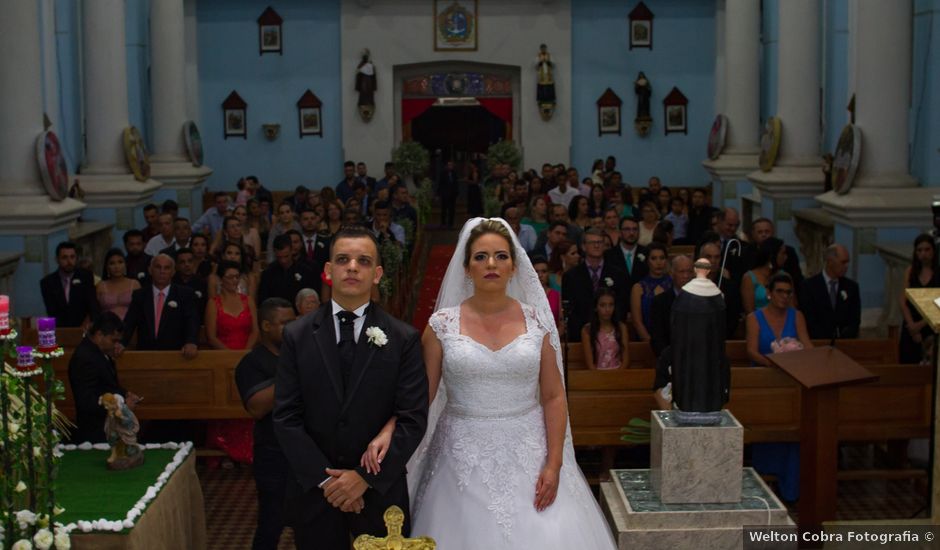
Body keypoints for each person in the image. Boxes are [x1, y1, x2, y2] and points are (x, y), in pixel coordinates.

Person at [363, 218, 616, 549]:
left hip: (529, 449)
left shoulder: (538, 320)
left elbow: (553, 396)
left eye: (500, 256)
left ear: (514, 265)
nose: (491, 264)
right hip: (461, 454)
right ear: (466, 267)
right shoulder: (441, 325)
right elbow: (422, 395)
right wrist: (389, 429)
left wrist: (554, 463)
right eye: (480, 257)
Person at [272, 226, 429, 549]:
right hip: (317, 491)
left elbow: (412, 417)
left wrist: (363, 478)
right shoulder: (297, 335)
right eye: (343, 259)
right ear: (329, 271)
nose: (353, 267)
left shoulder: (403, 339)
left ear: (377, 274)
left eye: (363, 260)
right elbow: (286, 417)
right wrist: (330, 481)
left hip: (380, 492)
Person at [745, 272, 812, 503]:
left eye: (788, 292)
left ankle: (791, 488)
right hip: (766, 384)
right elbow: (752, 350)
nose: (784, 296)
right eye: (780, 292)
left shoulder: (797, 316)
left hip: (792, 384)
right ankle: (764, 486)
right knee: (769, 431)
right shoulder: (755, 318)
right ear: (769, 293)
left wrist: (802, 358)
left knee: (792, 432)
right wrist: (775, 362)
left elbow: (807, 345)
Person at [236, 298, 296, 550]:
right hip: (273, 454)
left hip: (306, 453)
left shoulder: (301, 354)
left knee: (311, 524)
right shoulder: (251, 363)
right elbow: (257, 407)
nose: (292, 328)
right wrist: (293, 373)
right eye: (285, 323)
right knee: (272, 523)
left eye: (293, 322)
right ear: (266, 326)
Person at [206, 261, 259, 465]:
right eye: (229, 277)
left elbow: (255, 330)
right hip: (222, 358)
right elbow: (211, 336)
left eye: (236, 277)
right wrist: (229, 356)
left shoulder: (248, 300)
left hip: (246, 355)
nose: (233, 281)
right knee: (224, 402)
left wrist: (245, 353)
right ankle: (223, 448)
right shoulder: (214, 303)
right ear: (221, 279)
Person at [68, 312, 141, 444]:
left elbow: (107, 384)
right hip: (96, 433)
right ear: (99, 335)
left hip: (106, 429)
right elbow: (87, 401)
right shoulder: (84, 358)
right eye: (113, 340)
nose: (116, 345)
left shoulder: (98, 352)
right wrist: (122, 407)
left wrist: (125, 393)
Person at [119, 254, 199, 358]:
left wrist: (191, 342)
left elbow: (192, 321)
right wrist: (121, 343)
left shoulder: (185, 294)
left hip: (177, 355)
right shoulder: (140, 295)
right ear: (150, 270)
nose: (162, 271)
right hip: (146, 355)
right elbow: (129, 322)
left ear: (173, 272)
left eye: (167, 268)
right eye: (158, 267)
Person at [562, 228, 628, 342]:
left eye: (599, 242)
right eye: (592, 242)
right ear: (583, 246)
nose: (596, 246)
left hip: (611, 336)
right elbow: (571, 310)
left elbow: (622, 305)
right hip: (581, 337)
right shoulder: (571, 276)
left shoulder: (618, 274)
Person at [800, 244, 861, 340]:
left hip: (844, 344)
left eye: (847, 263)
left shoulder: (851, 287)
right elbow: (808, 319)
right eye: (843, 262)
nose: (846, 266)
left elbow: (855, 320)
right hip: (818, 344)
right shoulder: (809, 286)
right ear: (830, 262)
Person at [899, 235, 940, 364]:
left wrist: (920, 325)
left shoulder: (938, 273)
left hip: (931, 325)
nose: (923, 254)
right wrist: (912, 325)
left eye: (927, 250)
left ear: (933, 251)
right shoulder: (910, 271)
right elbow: (903, 301)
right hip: (911, 324)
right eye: (919, 250)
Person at [40, 241, 99, 327]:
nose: (69, 261)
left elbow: (93, 304)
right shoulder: (48, 282)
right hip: (61, 330)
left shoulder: (85, 276)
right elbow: (52, 311)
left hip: (85, 328)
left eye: (72, 257)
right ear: (57, 259)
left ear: (76, 258)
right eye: (64, 258)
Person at [649, 255, 694, 357]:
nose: (686, 276)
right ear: (672, 274)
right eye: (681, 272)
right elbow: (657, 338)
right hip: (670, 360)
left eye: (689, 272)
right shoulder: (659, 302)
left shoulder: (701, 301)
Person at [630, 242, 672, 342]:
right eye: (654, 258)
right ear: (647, 261)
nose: (658, 262)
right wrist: (650, 342)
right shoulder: (638, 288)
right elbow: (637, 322)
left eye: (662, 258)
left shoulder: (673, 284)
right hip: (647, 341)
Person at [581, 288, 630, 370]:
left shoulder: (621, 328)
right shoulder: (587, 330)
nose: (607, 309)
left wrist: (617, 377)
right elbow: (590, 364)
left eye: (611, 305)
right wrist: (601, 379)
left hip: (619, 374)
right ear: (596, 307)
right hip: (596, 375)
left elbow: (626, 360)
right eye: (603, 305)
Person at [96, 248, 141, 320]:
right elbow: (95, 311)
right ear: (107, 267)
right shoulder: (101, 286)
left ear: (125, 264)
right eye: (112, 263)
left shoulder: (135, 284)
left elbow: (141, 310)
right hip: (107, 328)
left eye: (120, 262)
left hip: (131, 327)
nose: (116, 267)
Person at [173, 247, 208, 323]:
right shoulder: (171, 283)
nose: (187, 265)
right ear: (176, 265)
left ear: (194, 263)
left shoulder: (202, 283)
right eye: (182, 262)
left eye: (190, 261)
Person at [531, 256, 561, 326]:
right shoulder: (524, 296)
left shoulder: (556, 295)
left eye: (544, 271)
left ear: (548, 274)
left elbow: (561, 324)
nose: (540, 275)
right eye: (536, 272)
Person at [438, 160, 459, 228]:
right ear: (447, 166)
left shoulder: (454, 173)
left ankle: (451, 223)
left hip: (452, 194)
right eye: (449, 165)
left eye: (451, 165)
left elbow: (456, 184)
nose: (450, 166)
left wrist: (456, 193)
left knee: (452, 209)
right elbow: (440, 184)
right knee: (444, 209)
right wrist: (439, 193)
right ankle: (443, 223)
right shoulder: (443, 173)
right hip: (445, 194)